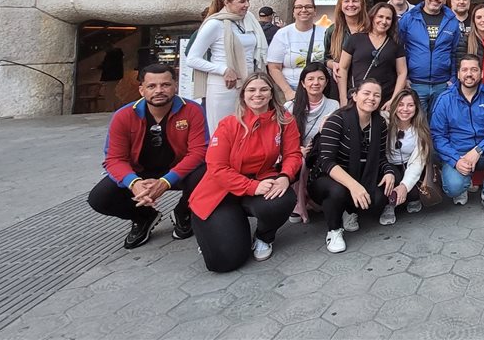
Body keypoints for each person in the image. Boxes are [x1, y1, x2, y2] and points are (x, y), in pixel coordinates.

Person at [189, 73, 301, 271]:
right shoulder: (229, 124)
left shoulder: (284, 119)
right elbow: (217, 167)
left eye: (263, 89)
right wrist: (251, 187)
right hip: (222, 192)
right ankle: (216, 231)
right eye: (251, 90)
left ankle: (264, 236)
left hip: (262, 180)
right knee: (224, 263)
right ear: (243, 95)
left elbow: (293, 154)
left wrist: (285, 176)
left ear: (271, 93)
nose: (257, 94)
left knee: (282, 200)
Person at [88, 64, 208, 249]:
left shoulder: (193, 110)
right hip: (139, 173)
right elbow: (114, 159)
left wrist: (166, 181)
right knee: (99, 199)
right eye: (152, 86)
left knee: (207, 173)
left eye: (165, 85)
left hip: (177, 173)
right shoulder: (124, 115)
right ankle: (144, 216)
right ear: (141, 89)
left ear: (175, 86)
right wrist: (133, 183)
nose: (159, 90)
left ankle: (183, 212)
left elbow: (199, 152)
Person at [310, 80, 398, 253]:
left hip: (361, 174)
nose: (371, 98)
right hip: (327, 177)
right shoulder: (337, 119)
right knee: (338, 191)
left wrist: (388, 172)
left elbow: (380, 157)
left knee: (380, 198)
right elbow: (326, 161)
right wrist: (354, 186)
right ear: (355, 95)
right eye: (366, 93)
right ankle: (334, 230)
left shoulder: (379, 123)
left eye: (376, 95)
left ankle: (349, 210)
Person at [430, 55, 484, 216]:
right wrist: (456, 160)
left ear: (481, 74)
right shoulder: (445, 99)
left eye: (474, 70)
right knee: (453, 187)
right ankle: (463, 184)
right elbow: (437, 136)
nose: (469, 74)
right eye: (465, 70)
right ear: (458, 74)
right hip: (458, 154)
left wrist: (478, 150)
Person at [187, 0, 269, 133]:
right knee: (223, 131)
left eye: (248, 1)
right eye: (242, 2)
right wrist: (223, 69)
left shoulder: (249, 19)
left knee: (248, 131)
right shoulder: (214, 24)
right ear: (227, 3)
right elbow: (192, 59)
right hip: (223, 86)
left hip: (248, 84)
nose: (247, 5)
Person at [397, 0, 461, 115]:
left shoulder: (452, 21)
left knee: (440, 125)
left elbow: (455, 52)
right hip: (415, 84)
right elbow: (398, 49)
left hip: (442, 85)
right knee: (418, 125)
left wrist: (453, 79)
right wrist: (404, 77)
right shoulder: (409, 19)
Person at [283, 63, 337, 223]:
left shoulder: (333, 105)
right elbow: (282, 138)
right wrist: (297, 150)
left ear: (327, 82)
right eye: (311, 79)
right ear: (302, 83)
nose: (316, 83)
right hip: (295, 152)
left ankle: (311, 197)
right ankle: (297, 204)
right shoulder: (289, 106)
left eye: (321, 79)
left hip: (319, 153)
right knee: (299, 160)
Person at [338, 3, 407, 105]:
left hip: (384, 101)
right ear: (372, 17)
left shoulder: (395, 44)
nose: (384, 21)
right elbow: (343, 68)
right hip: (357, 98)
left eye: (388, 18)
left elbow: (402, 73)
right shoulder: (355, 39)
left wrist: (393, 100)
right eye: (380, 17)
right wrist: (343, 98)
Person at [383, 89, 432, 219]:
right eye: (400, 104)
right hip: (388, 165)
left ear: (416, 108)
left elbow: (418, 162)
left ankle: (407, 196)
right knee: (391, 181)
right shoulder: (384, 120)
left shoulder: (420, 130)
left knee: (413, 191)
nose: (405, 109)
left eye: (410, 105)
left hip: (409, 165)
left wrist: (405, 186)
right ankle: (389, 205)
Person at [266, 0, 324, 102]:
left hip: (319, 91)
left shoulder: (325, 33)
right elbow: (274, 67)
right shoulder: (283, 34)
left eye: (308, 7)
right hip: (291, 90)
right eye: (299, 7)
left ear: (315, 11)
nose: (303, 10)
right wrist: (287, 91)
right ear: (293, 12)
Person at [324, 0, 367, 84]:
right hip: (341, 82)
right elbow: (326, 58)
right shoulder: (332, 30)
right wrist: (333, 64)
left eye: (355, 1)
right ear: (340, 5)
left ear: (362, 4)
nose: (351, 5)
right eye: (346, 1)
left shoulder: (370, 28)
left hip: (366, 81)